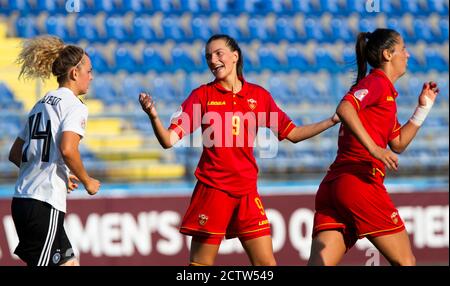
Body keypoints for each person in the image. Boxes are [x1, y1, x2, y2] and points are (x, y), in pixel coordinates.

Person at [139, 34, 340, 266]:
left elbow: (292, 134)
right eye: (208, 57)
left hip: (247, 191)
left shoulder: (259, 96)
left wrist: (332, 120)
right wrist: (153, 116)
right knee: (200, 266)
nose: (213, 60)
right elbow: (168, 140)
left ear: (235, 56)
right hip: (214, 189)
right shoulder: (201, 96)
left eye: (218, 53)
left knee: (267, 265)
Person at [308, 28, 440, 266]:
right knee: (406, 261)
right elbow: (345, 107)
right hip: (360, 181)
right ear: (388, 54)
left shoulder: (386, 94)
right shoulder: (377, 82)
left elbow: (397, 143)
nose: (408, 55)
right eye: (403, 49)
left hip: (334, 186)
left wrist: (424, 108)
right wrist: (374, 150)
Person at [8, 35, 101, 266]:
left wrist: (55, 171)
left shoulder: (41, 103)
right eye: (88, 71)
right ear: (74, 73)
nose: (91, 76)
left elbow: (15, 153)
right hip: (44, 203)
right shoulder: (75, 106)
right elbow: (68, 150)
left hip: (23, 199)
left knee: (70, 263)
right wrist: (86, 180)